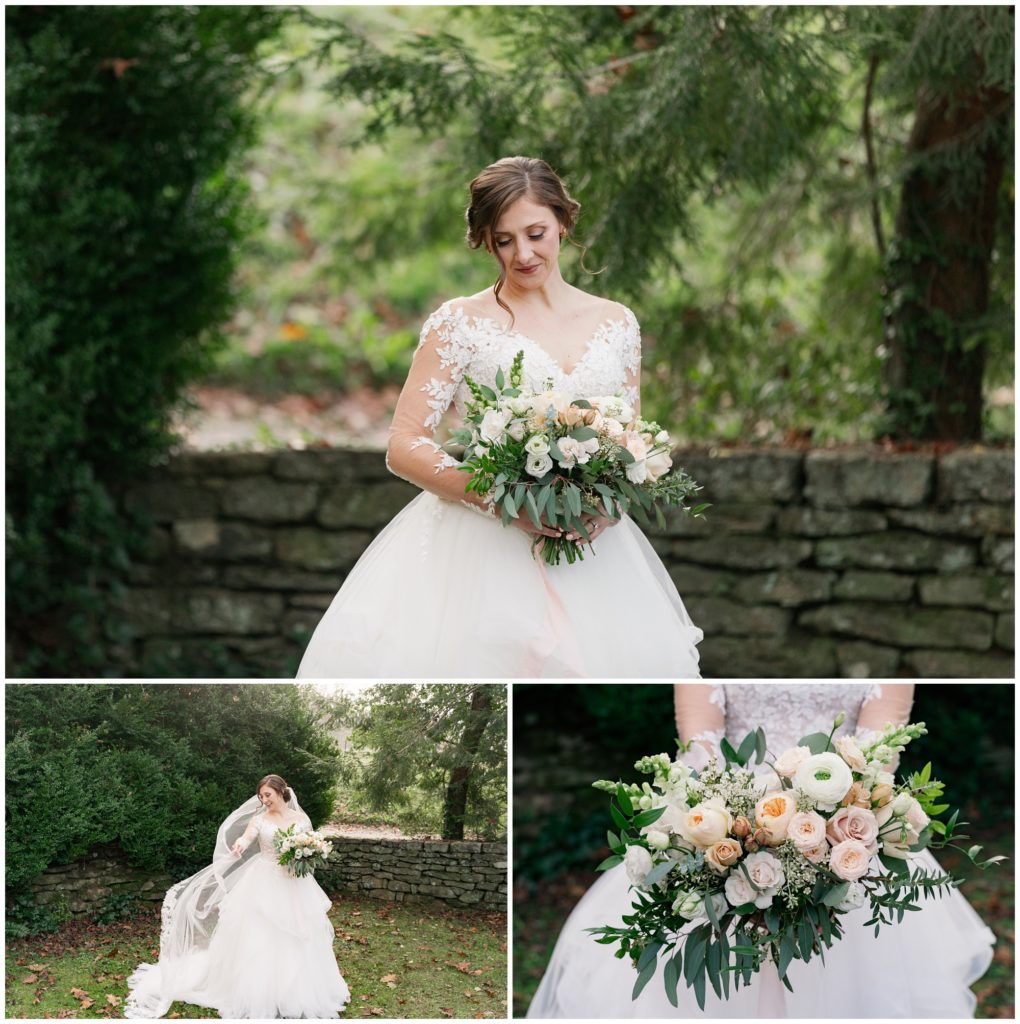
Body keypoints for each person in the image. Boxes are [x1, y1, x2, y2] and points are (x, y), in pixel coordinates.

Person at [297, 156, 702, 678]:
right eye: (504, 240)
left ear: (563, 222)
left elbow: (632, 443)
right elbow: (404, 443)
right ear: (486, 241)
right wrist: (505, 502)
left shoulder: (616, 322)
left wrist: (605, 509)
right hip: (478, 551)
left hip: (595, 551)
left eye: (536, 233)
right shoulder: (461, 323)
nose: (524, 253)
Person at [527, 683, 996, 1018]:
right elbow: (699, 750)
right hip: (728, 824)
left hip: (845, 830)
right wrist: (727, 819)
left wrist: (816, 833)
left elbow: (879, 759)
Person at [125, 774, 350, 1019]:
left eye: (268, 795)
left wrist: (307, 856)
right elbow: (247, 837)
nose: (264, 800)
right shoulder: (259, 820)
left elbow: (308, 845)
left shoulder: (301, 819)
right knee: (259, 935)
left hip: (295, 884)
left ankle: (297, 991)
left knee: (300, 934)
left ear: (281, 792)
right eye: (261, 796)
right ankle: (257, 992)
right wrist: (240, 845)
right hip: (263, 882)